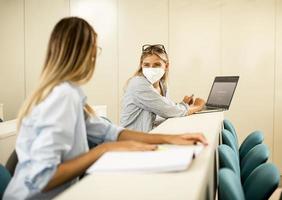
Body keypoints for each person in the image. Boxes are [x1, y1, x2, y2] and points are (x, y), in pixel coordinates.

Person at [3, 18, 207, 200]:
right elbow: (43, 178)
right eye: (95, 50)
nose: (95, 57)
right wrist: (105, 149)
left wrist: (170, 138)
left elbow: (111, 133)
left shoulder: (71, 93)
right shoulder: (62, 96)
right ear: (83, 53)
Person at [120, 44, 205, 132]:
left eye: (156, 65)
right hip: (132, 141)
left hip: (149, 136)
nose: (151, 69)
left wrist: (182, 104)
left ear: (166, 66)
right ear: (141, 65)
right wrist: (196, 106)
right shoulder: (138, 84)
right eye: (146, 65)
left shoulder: (162, 84)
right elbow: (169, 110)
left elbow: (164, 110)